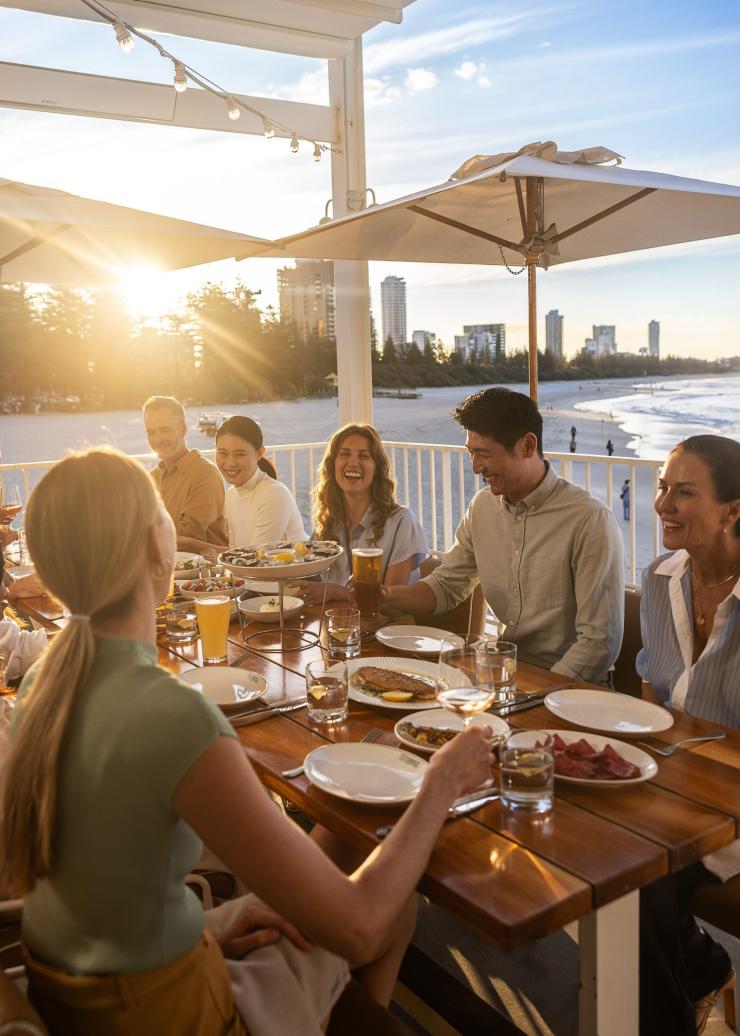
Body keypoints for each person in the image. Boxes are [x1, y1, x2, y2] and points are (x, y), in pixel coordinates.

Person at [1, 448, 493, 1036]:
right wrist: (439, 783)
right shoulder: (170, 714)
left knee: (339, 839)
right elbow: (359, 925)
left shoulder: (42, 685)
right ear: (161, 549)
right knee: (395, 904)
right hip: (179, 1010)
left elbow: (93, 884)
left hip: (90, 995)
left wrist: (205, 927)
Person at [384, 388, 624, 685]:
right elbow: (447, 586)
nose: (475, 468)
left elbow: (598, 644)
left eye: (484, 454)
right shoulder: (482, 508)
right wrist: (384, 596)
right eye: (471, 453)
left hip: (572, 692)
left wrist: (532, 693)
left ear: (527, 445)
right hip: (503, 675)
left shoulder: (589, 520)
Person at [636, 434, 740, 1035]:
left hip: (730, 804)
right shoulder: (660, 578)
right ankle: (702, 971)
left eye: (684, 492)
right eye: (661, 488)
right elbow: (652, 686)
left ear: (733, 509)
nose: (662, 504)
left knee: (637, 874)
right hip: (673, 788)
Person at [298, 424, 428, 605]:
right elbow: (308, 585)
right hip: (338, 625)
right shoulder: (327, 523)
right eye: (344, 454)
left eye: (363, 456)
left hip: (387, 629)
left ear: (377, 468)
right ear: (332, 464)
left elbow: (391, 604)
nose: (353, 463)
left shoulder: (401, 521)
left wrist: (336, 592)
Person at [180, 416, 305, 556]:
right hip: (258, 575)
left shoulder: (274, 493)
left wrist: (191, 544)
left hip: (293, 576)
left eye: (239, 454)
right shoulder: (231, 495)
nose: (230, 463)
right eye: (223, 453)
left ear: (260, 453)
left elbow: (256, 559)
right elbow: (237, 553)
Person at [143, 395, 227, 550]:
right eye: (151, 432)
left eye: (164, 430)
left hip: (205, 571)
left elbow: (187, 539)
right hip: (166, 569)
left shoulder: (205, 474)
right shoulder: (151, 478)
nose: (157, 439)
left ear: (183, 429)